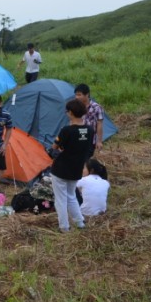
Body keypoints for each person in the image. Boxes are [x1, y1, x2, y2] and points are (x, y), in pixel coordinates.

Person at [50, 99, 95, 233]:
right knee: (71, 196)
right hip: (77, 168)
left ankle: (64, 226)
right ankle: (79, 222)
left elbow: (54, 147)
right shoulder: (90, 130)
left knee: (61, 199)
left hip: (61, 168)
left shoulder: (66, 130)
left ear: (70, 112)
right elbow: (88, 149)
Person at [74, 83, 105, 155]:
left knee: (86, 160)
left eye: (79, 95)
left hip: (90, 141)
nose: (77, 97)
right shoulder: (75, 106)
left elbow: (99, 124)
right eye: (76, 95)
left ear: (87, 94)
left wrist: (99, 141)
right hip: (77, 139)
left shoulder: (96, 107)